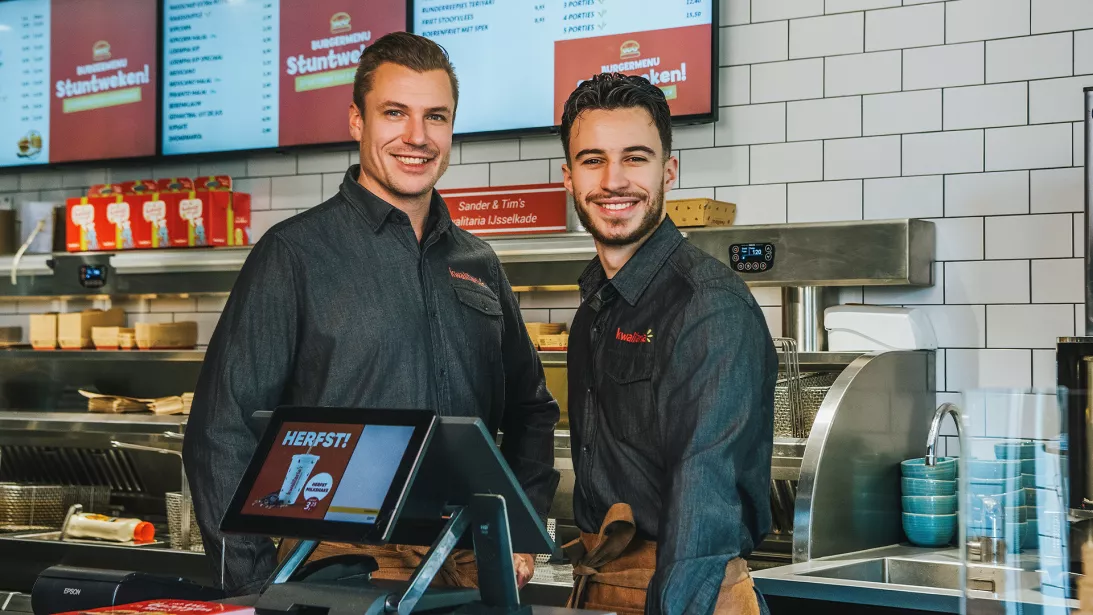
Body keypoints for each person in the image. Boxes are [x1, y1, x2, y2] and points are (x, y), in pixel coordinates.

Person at [182, 31, 559, 597]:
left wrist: (519, 533)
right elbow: (219, 433)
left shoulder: (477, 262)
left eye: (436, 117)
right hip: (337, 564)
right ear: (356, 121)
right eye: (394, 113)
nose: (417, 136)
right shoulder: (295, 254)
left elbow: (532, 408)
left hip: (464, 569)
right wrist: (257, 590)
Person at [558, 73, 778, 615]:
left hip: (684, 597)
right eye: (592, 160)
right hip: (609, 585)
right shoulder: (595, 309)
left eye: (635, 158)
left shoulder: (706, 305)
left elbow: (703, 512)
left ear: (668, 171)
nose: (614, 181)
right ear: (568, 178)